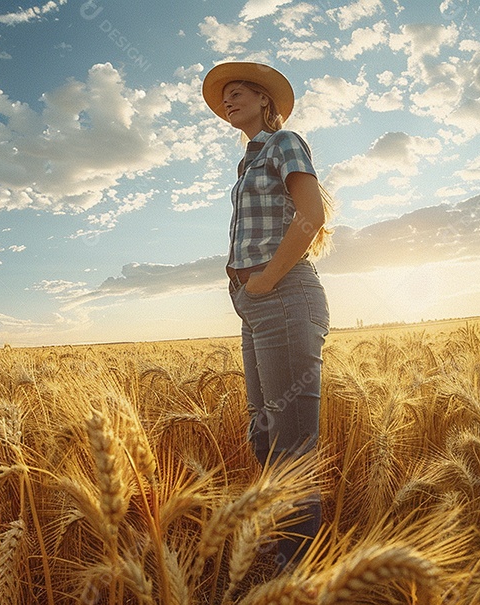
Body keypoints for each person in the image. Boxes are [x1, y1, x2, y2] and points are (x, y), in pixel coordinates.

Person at [201, 61, 333, 571]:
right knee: (263, 430)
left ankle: (295, 567)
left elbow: (311, 217)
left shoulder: (285, 143)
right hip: (252, 301)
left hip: (282, 295)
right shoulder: (246, 163)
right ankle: (283, 539)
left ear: (263, 100)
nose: (227, 103)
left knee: (292, 439)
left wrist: (266, 278)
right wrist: (242, 283)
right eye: (224, 98)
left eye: (237, 94)